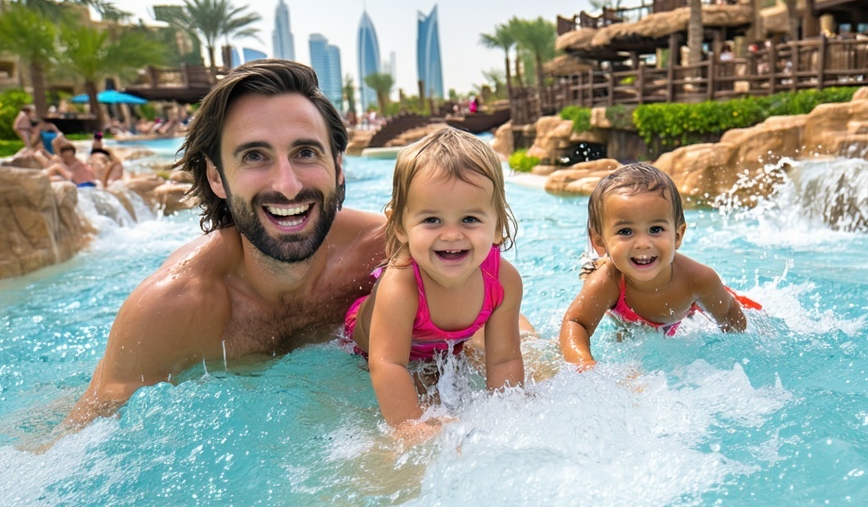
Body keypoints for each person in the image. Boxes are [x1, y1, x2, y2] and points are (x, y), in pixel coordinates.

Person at [61, 60, 386, 430]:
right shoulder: (171, 310)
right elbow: (73, 445)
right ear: (216, 176)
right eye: (254, 156)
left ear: (338, 167)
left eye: (306, 153)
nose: (288, 184)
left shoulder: (390, 254)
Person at [343, 127, 525, 427]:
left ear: (497, 226)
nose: (452, 234)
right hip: (369, 345)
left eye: (470, 219)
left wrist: (511, 416)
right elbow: (387, 364)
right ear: (400, 226)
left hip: (440, 344)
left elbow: (504, 360)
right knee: (423, 395)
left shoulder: (504, 281)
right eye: (431, 220)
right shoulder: (401, 285)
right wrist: (412, 429)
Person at [559, 163, 761, 368]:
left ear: (678, 235)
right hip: (628, 318)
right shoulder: (607, 282)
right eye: (626, 231)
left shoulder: (698, 279)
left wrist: (742, 353)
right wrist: (584, 364)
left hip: (690, 314)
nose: (643, 243)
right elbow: (576, 323)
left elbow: (730, 319)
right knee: (627, 345)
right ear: (600, 241)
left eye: (655, 229)